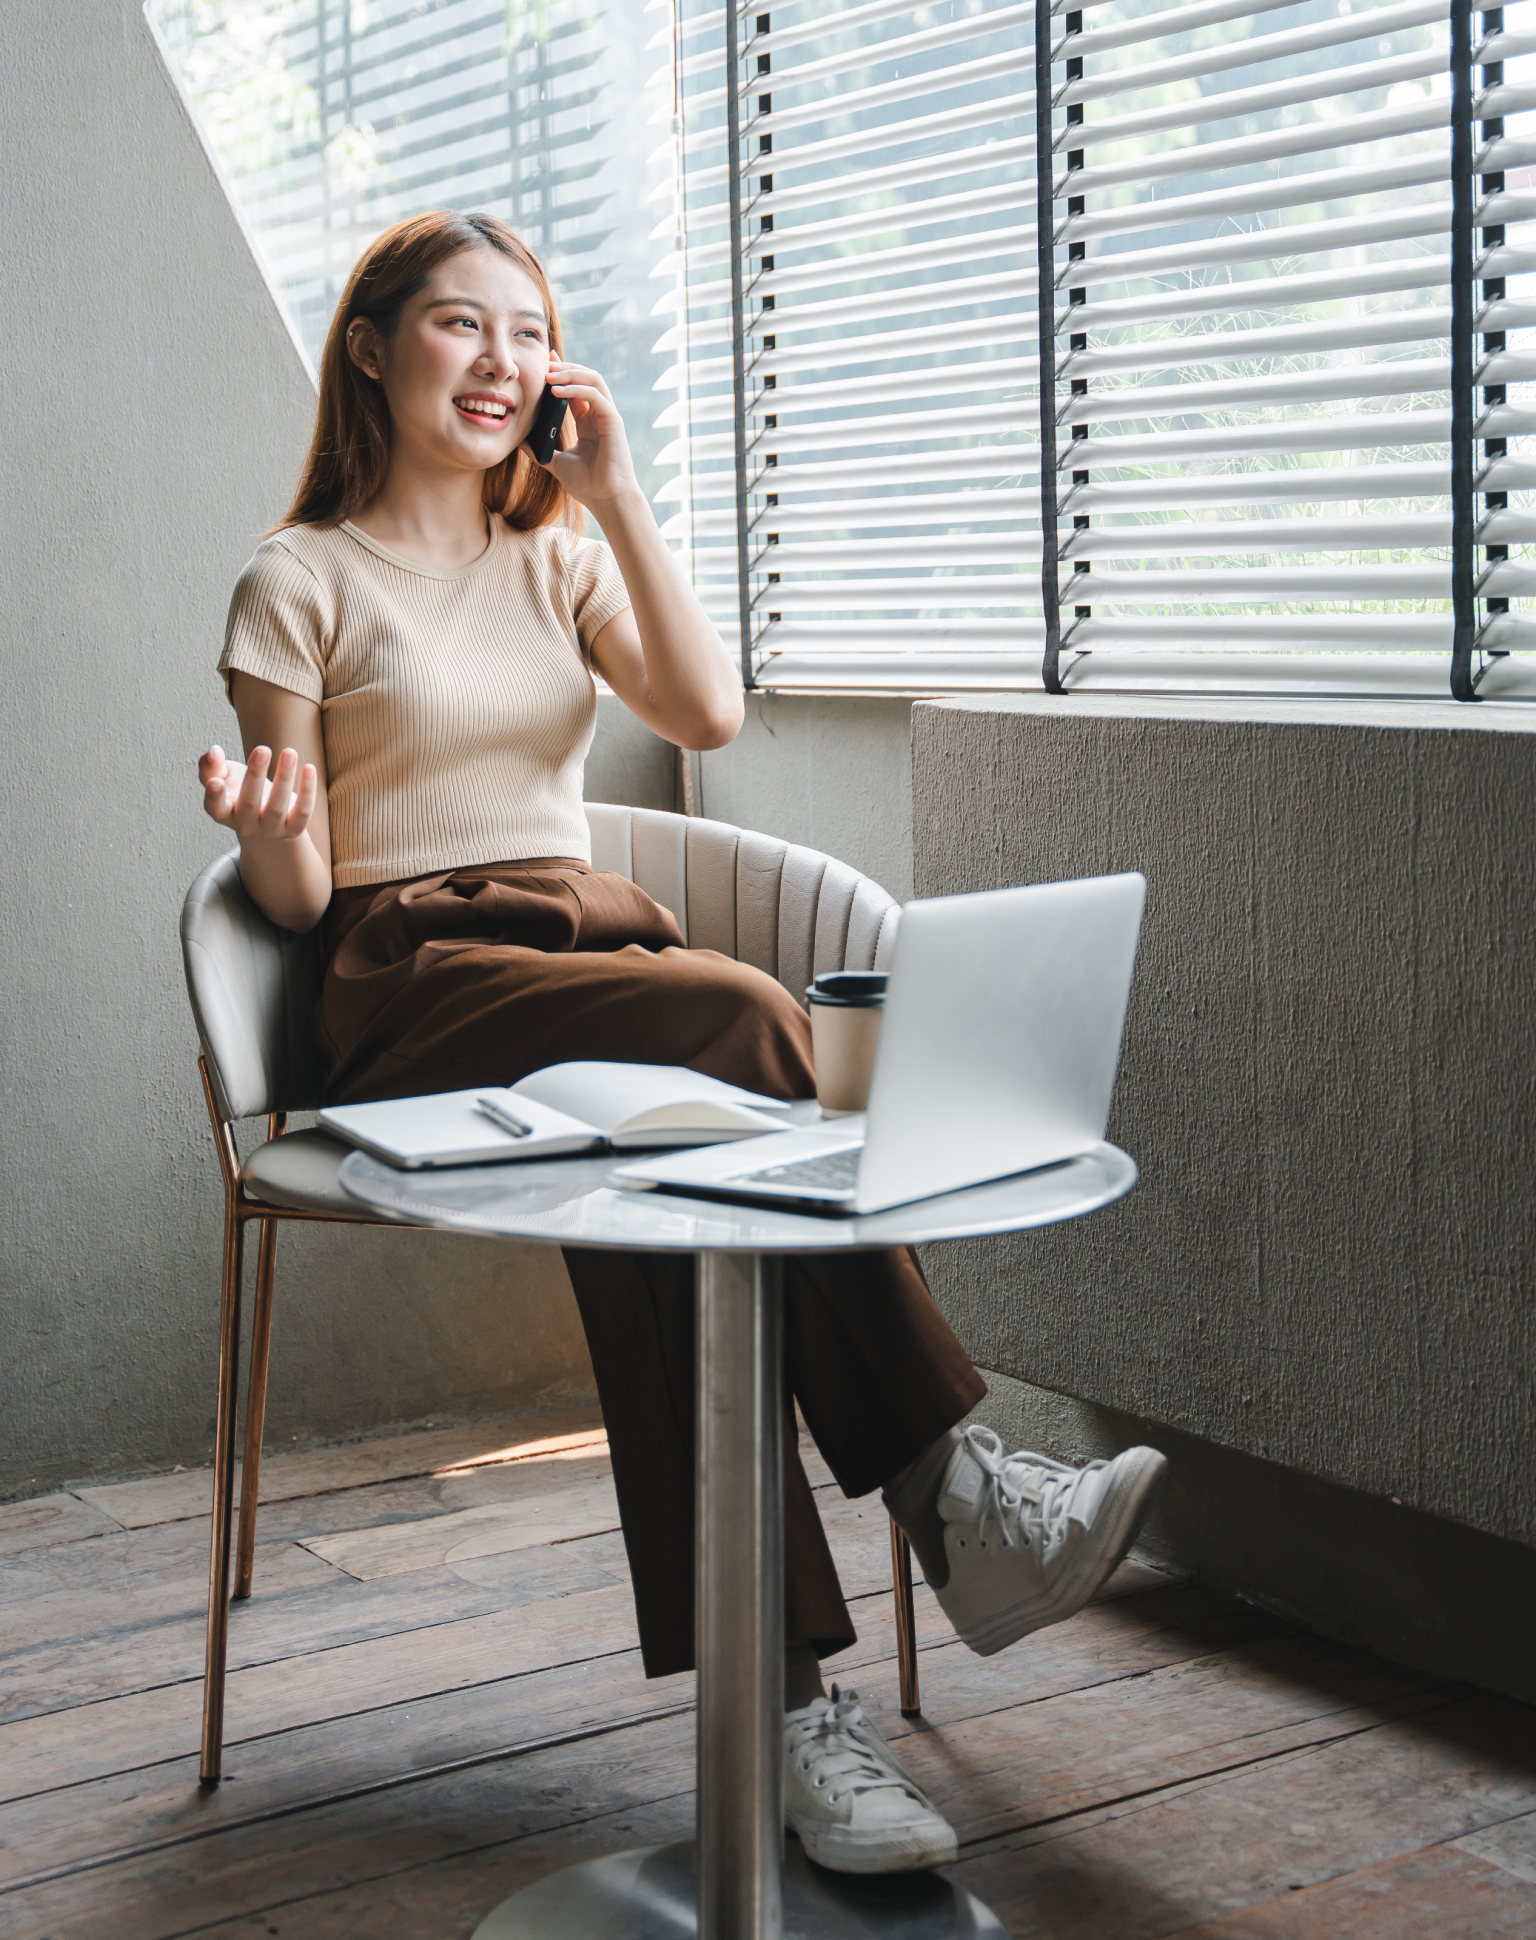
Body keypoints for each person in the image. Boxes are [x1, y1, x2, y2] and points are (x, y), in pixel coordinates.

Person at [196, 209, 1166, 1877]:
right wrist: (264, 819)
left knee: (673, 1230)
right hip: (407, 975)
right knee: (742, 1016)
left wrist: (618, 495)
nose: (501, 363)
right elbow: (287, 897)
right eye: (457, 326)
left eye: (528, 331)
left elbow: (705, 714)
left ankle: (786, 1713)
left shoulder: (557, 548)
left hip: (584, 941)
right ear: (372, 345)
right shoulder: (299, 579)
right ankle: (956, 1493)